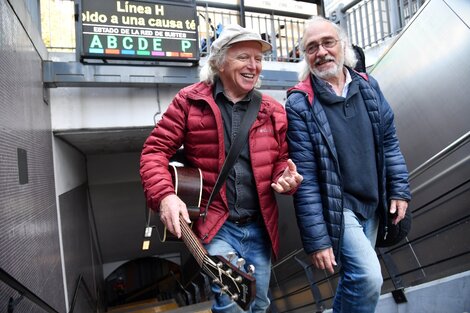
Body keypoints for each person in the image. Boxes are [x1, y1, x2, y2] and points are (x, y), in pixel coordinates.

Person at [140, 24, 303, 313]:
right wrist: (165, 195)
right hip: (216, 226)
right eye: (244, 57)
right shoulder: (189, 101)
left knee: (259, 303)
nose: (254, 66)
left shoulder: (273, 110)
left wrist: (285, 178)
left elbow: (280, 160)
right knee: (229, 303)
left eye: (258, 59)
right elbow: (154, 152)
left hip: (260, 227)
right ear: (219, 61)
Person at [285, 16, 411, 313]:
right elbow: (307, 178)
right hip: (338, 208)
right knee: (368, 276)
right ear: (306, 55)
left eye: (328, 42)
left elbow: (389, 142)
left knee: (356, 278)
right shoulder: (299, 103)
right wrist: (317, 240)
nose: (322, 52)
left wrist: (399, 190)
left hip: (373, 202)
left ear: (342, 45)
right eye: (312, 47)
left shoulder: (368, 86)